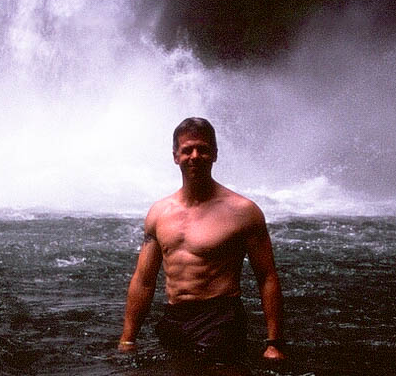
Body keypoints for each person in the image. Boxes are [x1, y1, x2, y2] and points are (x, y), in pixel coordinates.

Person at [118, 117, 285, 362]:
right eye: (187, 150)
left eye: (203, 149)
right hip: (174, 318)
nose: (195, 156)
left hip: (220, 318)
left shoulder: (243, 211)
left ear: (215, 154)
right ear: (175, 156)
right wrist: (128, 338)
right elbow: (144, 280)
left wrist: (274, 343)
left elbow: (267, 277)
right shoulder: (159, 213)